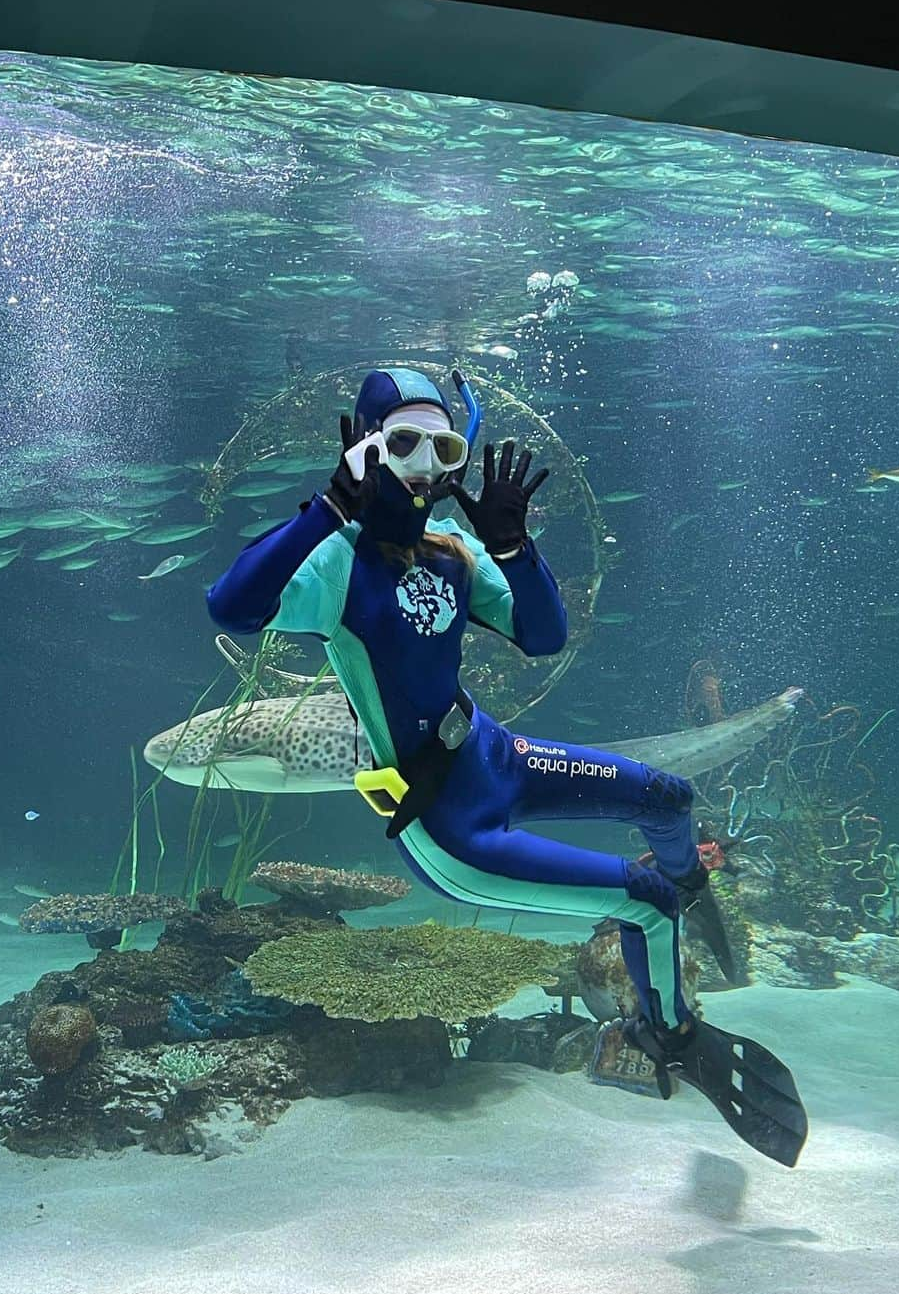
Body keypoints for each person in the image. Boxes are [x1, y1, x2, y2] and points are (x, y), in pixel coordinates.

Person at [207, 366, 807, 1166]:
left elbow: (542, 633)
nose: (424, 465)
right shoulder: (336, 563)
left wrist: (514, 546)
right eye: (404, 443)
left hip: (495, 753)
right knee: (648, 903)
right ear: (368, 451)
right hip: (450, 824)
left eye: (441, 446)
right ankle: (670, 1034)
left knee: (671, 796)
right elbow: (231, 606)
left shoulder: (453, 553)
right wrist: (329, 509)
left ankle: (687, 903)